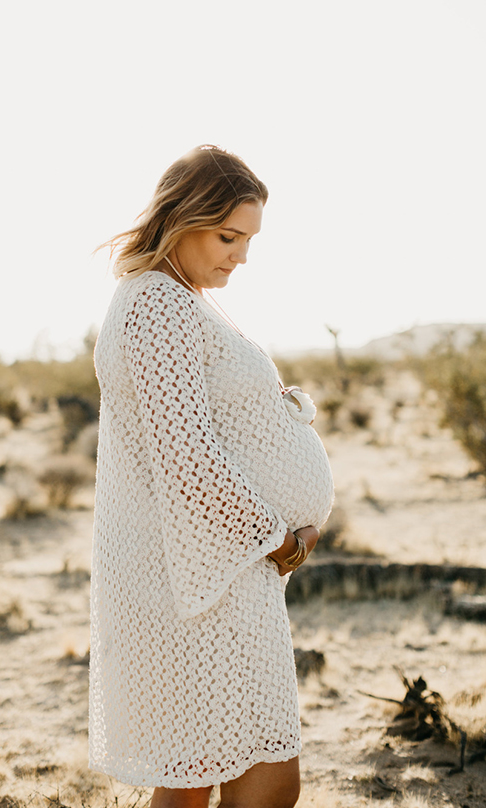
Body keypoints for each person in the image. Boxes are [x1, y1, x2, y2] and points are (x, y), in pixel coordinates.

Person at [89, 145, 334, 808]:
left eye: (248, 240)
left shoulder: (167, 300)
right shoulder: (158, 306)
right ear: (182, 218)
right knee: (258, 778)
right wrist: (279, 539)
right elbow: (188, 459)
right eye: (228, 236)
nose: (241, 256)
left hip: (209, 570)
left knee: (195, 772)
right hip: (200, 581)